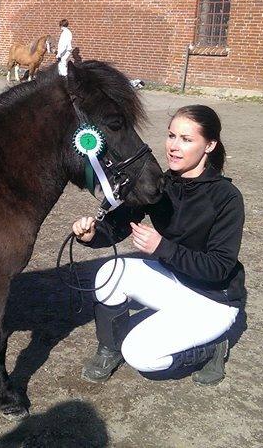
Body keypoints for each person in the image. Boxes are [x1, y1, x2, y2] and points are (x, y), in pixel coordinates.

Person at [72, 104, 246, 385]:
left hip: (212, 300)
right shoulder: (161, 185)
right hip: (174, 283)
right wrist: (92, 235)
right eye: (171, 136)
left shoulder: (226, 197)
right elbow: (118, 224)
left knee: (140, 355)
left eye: (187, 140)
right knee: (109, 272)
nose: (174, 147)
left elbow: (219, 267)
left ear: (210, 145)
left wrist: (162, 247)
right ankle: (109, 349)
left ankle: (211, 348)